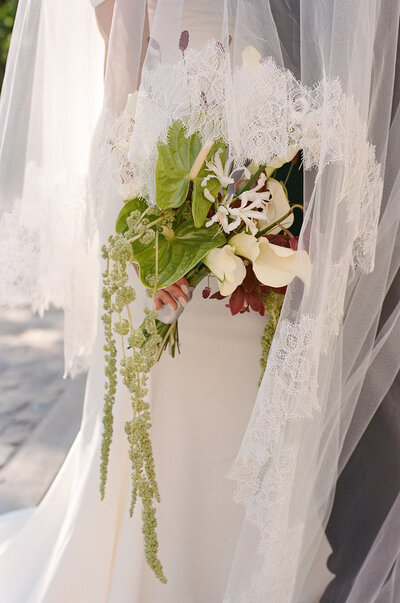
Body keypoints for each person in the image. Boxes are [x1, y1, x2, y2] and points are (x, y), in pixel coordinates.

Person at [0, 1, 399, 602]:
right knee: (165, 418)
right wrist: (144, 249)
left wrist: (298, 209)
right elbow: (118, 102)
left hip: (265, 194)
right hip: (160, 198)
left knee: (243, 413)